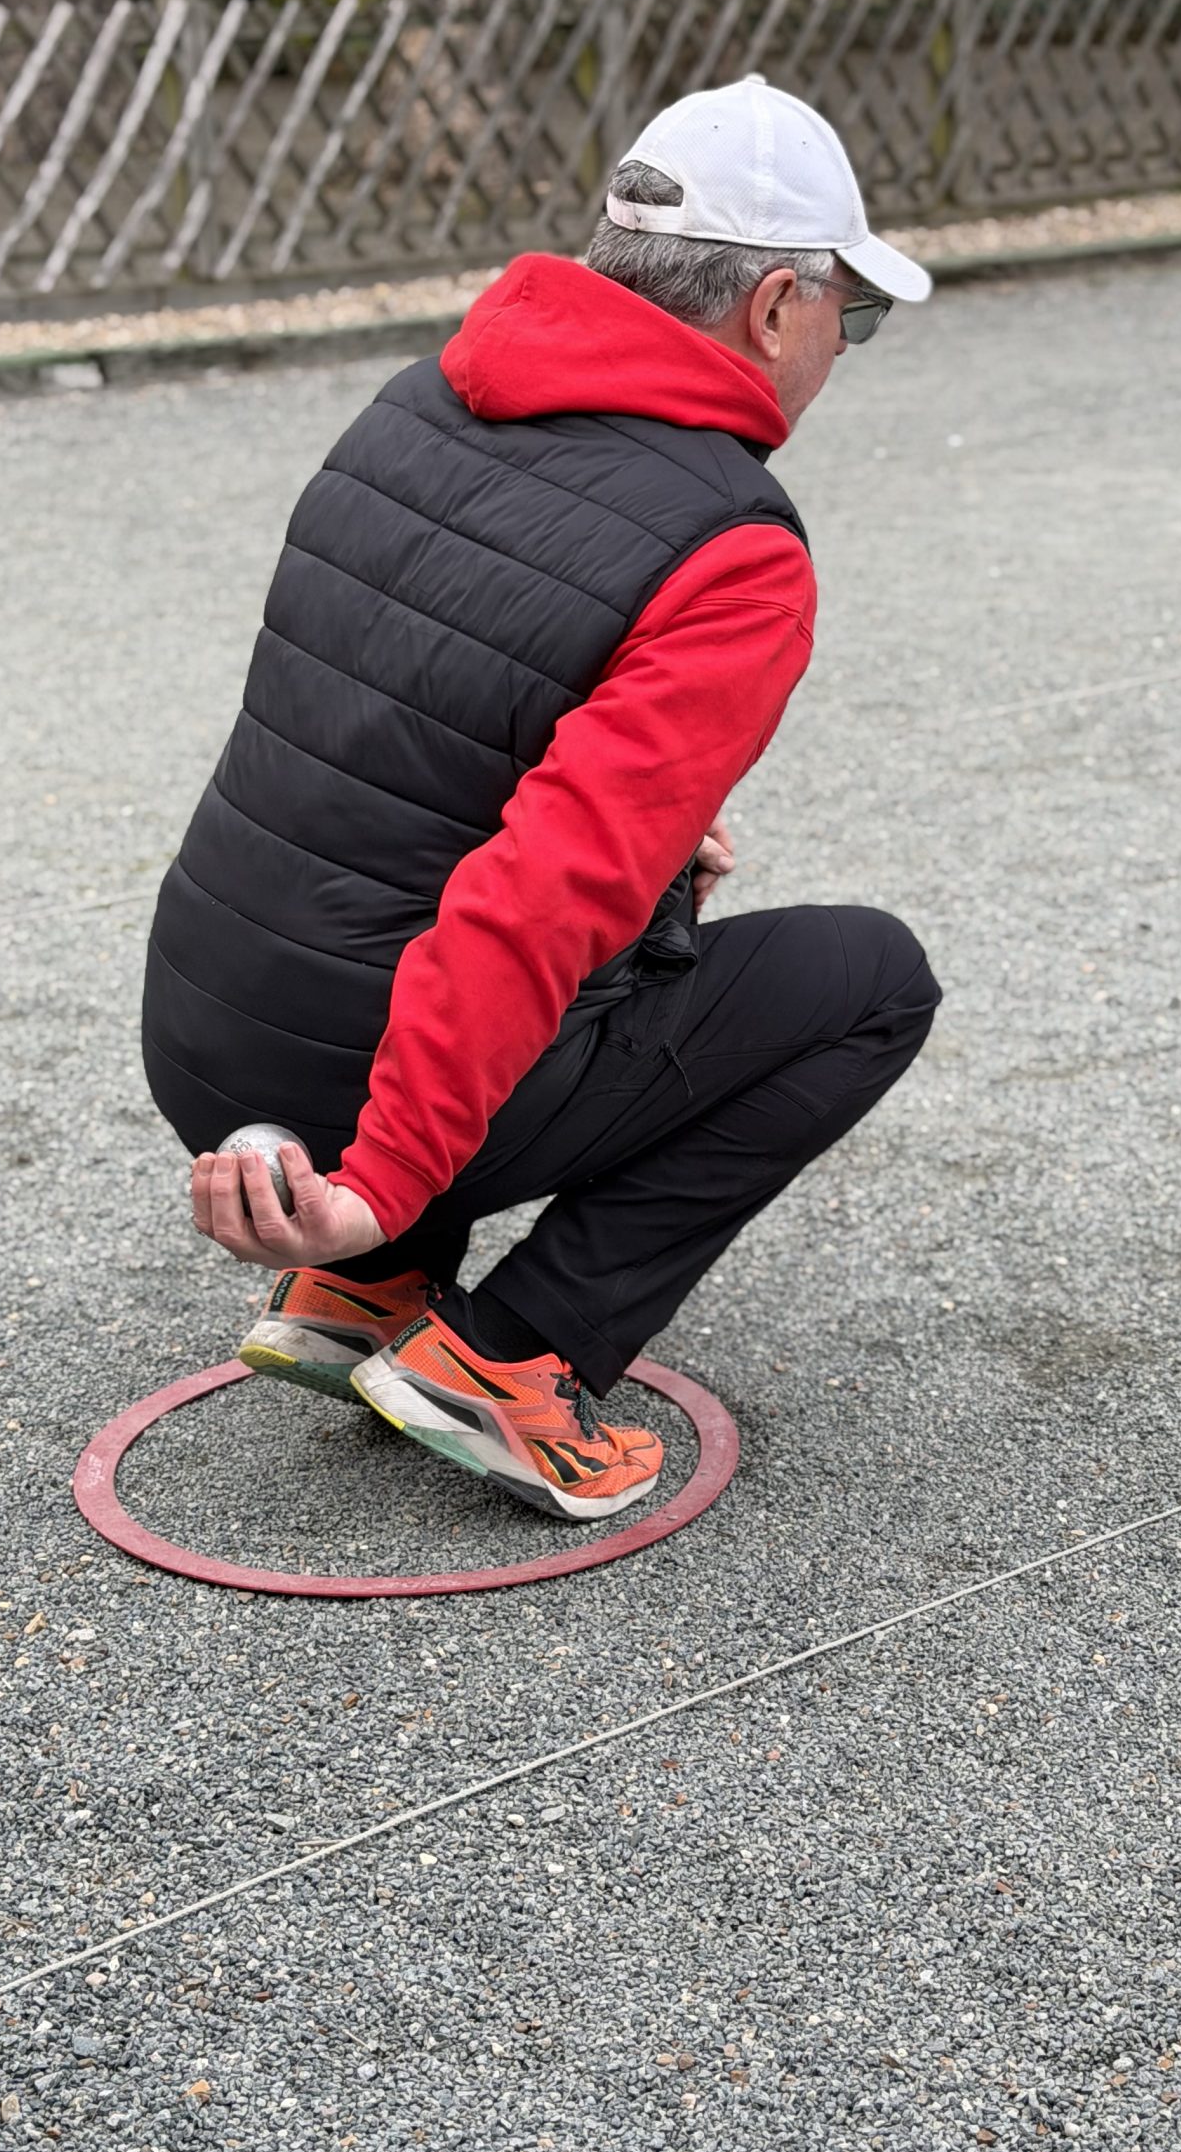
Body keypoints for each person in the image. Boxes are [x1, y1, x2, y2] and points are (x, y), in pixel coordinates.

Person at [142, 78, 942, 1524]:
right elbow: (537, 896)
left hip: (205, 1038)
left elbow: (383, 757)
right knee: (871, 981)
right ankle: (511, 1358)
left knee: (601, 896)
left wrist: (653, 857)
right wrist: (379, 1180)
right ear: (776, 308)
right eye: (854, 313)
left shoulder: (417, 402)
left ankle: (368, 1291)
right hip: (356, 1102)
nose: (845, 346)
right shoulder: (733, 549)